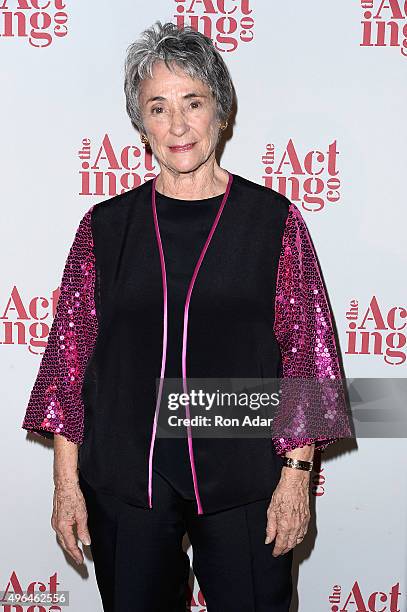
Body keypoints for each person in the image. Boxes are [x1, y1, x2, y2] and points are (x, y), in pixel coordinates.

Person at [22, 20, 352, 612]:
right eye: (157, 107)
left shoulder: (274, 222)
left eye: (192, 102)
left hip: (244, 474)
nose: (177, 125)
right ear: (140, 124)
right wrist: (65, 483)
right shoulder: (104, 228)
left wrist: (297, 478)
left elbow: (308, 353)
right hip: (126, 475)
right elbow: (68, 365)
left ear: (220, 111)